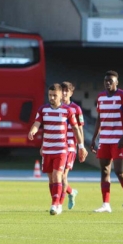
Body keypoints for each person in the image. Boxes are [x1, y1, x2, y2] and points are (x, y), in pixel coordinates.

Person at [28, 83, 88, 215]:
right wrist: (32, 131)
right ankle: (57, 201)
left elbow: (77, 128)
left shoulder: (69, 110)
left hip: (62, 149)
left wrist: (81, 146)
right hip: (47, 149)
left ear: (61, 95)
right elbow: (37, 123)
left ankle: (56, 204)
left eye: (55, 95)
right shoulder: (43, 109)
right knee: (51, 178)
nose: (52, 98)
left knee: (58, 175)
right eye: (50, 95)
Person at [90, 70, 123, 213]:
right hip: (104, 139)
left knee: (119, 170)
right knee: (104, 170)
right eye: (106, 81)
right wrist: (94, 137)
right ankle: (106, 204)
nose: (108, 83)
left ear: (117, 82)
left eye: (111, 80)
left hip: (118, 139)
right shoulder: (100, 97)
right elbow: (99, 118)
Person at [60, 81, 85, 210]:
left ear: (71, 92)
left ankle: (58, 205)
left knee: (63, 176)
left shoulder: (76, 109)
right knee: (56, 177)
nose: (64, 93)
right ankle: (71, 192)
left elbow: (80, 129)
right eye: (62, 90)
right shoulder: (55, 107)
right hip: (57, 145)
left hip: (70, 146)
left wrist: (82, 147)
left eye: (67, 90)